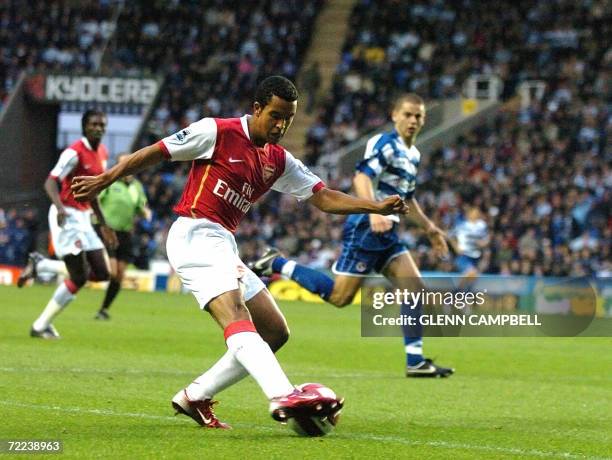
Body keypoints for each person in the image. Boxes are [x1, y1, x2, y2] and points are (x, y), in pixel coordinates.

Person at [71, 76, 407, 429]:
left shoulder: (278, 160)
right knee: (235, 312)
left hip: (222, 243)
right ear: (257, 108)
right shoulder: (215, 131)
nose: (281, 125)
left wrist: (375, 207)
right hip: (194, 233)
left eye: (288, 119)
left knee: (275, 330)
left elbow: (323, 196)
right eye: (275, 115)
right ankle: (282, 393)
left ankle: (195, 395)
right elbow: (156, 152)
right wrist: (106, 178)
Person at [250, 93, 454, 378]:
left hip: (388, 229)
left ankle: (415, 362)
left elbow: (408, 197)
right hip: (367, 226)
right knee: (339, 297)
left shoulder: (413, 154)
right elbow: (362, 177)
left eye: (418, 116)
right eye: (407, 114)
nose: (413, 120)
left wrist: (431, 228)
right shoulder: (386, 144)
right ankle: (277, 263)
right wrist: (374, 212)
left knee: (414, 289)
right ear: (395, 115)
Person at [22, 109, 118, 339]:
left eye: (102, 125)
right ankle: (40, 326)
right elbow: (50, 182)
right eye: (94, 124)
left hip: (84, 217)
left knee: (103, 273)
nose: (98, 128)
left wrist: (103, 224)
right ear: (84, 126)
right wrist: (61, 207)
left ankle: (42, 265)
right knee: (79, 277)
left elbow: (92, 192)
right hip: (66, 215)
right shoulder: (73, 152)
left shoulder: (103, 152)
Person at [94, 153, 151, 320]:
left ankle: (103, 309)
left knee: (119, 274)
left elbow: (140, 206)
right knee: (112, 272)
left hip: (126, 234)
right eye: (124, 163)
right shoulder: (109, 182)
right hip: (108, 231)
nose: (127, 166)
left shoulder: (137, 187)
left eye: (130, 162)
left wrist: (145, 212)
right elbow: (96, 201)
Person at [450, 206, 489, 288]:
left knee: (473, 277)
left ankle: (461, 295)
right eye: (474, 213)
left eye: (477, 213)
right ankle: (455, 294)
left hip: (476, 257)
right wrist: (456, 247)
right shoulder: (462, 225)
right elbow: (451, 236)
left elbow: (486, 240)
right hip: (464, 256)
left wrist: (482, 243)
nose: (476, 215)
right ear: (469, 214)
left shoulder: (481, 226)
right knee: (471, 273)